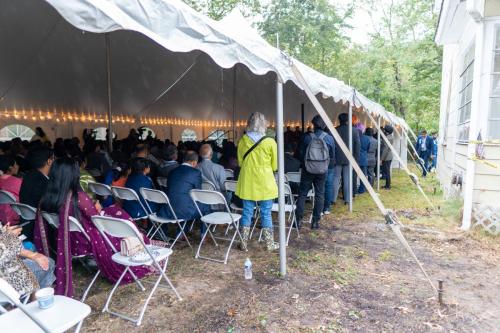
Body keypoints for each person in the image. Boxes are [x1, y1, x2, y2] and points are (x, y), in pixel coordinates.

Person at [34, 157, 151, 297]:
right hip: (86, 241)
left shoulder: (46, 198)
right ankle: (140, 239)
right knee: (118, 214)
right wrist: (98, 207)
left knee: (113, 212)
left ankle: (137, 237)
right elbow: (95, 218)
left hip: (69, 240)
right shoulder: (77, 197)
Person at [236, 112, 279, 251]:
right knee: (266, 213)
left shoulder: (243, 140)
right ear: (264, 125)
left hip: (247, 180)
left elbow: (240, 162)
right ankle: (270, 243)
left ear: (249, 123)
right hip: (265, 181)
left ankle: (243, 243)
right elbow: (275, 166)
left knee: (247, 211)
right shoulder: (270, 142)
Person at [295, 115, 334, 229]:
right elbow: (332, 157)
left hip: (308, 169)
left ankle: (298, 221)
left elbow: (299, 154)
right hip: (322, 170)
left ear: (313, 125)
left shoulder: (306, 137)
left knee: (302, 194)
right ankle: (315, 221)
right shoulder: (329, 138)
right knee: (320, 194)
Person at [0, 224, 55, 296]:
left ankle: (35, 295)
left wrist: (33, 255)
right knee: (49, 263)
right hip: (5, 278)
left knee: (31, 248)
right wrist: (9, 237)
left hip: (6, 266)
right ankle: (38, 301)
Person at [160, 151, 207, 228]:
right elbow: (198, 193)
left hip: (169, 209)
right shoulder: (195, 172)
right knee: (206, 206)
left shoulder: (172, 172)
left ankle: (182, 231)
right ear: (194, 162)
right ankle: (203, 234)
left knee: (184, 201)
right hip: (184, 210)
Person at [19, 147, 54, 241]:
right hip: (39, 226)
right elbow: (48, 207)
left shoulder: (28, 176)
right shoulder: (43, 183)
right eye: (53, 159)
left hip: (27, 222)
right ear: (49, 161)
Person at [332, 113, 360, 205]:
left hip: (337, 157)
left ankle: (333, 199)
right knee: (347, 179)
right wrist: (356, 159)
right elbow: (357, 146)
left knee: (335, 178)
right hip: (349, 158)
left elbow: (332, 145)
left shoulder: (335, 130)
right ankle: (347, 200)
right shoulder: (354, 130)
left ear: (339, 120)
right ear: (348, 120)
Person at [0, 155, 22, 225]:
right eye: (16, 164)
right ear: (11, 168)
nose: (18, 166)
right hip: (15, 218)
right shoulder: (18, 182)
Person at [357, 128, 371, 194]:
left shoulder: (355, 138)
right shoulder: (367, 138)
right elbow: (368, 148)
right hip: (364, 159)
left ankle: (353, 189)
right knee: (363, 175)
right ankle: (362, 189)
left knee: (353, 175)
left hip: (355, 158)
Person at [380, 125, 394, 189]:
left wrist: (381, 159)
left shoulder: (387, 138)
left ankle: (388, 186)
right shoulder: (391, 136)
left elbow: (385, 149)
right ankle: (387, 185)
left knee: (387, 171)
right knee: (387, 171)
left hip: (387, 157)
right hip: (389, 156)